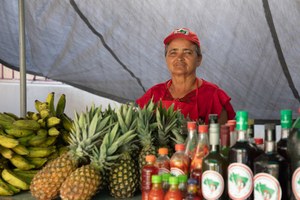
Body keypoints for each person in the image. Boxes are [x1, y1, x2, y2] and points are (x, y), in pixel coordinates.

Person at [136, 28, 235, 125]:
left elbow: (222, 138)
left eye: (187, 52)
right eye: (173, 53)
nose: (179, 58)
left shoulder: (213, 95)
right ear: (166, 59)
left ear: (199, 59)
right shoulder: (154, 94)